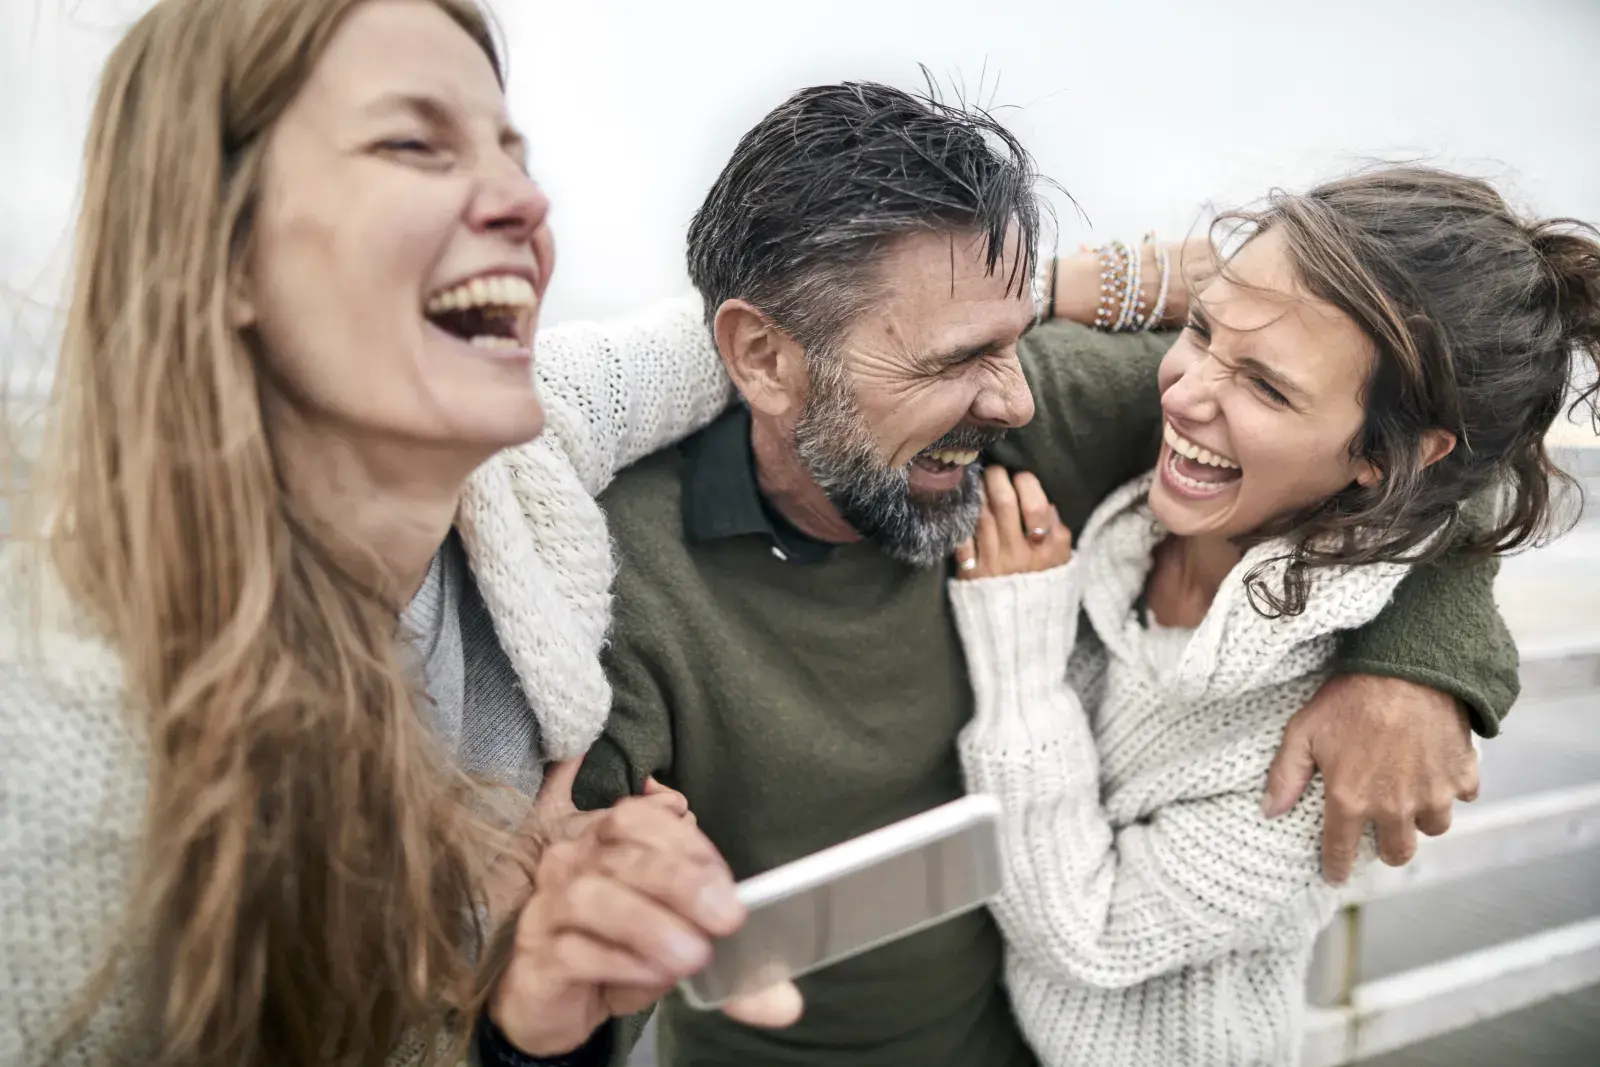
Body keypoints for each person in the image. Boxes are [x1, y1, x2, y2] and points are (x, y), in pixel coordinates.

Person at [574, 86, 1516, 1067]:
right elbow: (519, 949)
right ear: (765, 359)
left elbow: (1428, 437)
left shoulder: (1056, 412)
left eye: (1017, 336)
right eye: (960, 357)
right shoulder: (622, 574)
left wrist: (1417, 662)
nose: (1013, 393)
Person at [0, 2, 797, 1065]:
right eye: (415, 143)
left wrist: (526, 1023)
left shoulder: (529, 453)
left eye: (510, 151)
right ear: (219, 247)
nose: (526, 198)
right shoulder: (57, 756)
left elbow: (726, 342)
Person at [949, 167, 1600, 1066]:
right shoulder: (1140, 513)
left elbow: (1087, 933)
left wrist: (1019, 659)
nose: (1181, 393)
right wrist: (1058, 285)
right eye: (1203, 330)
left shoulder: (1334, 747)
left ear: (1390, 453)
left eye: (1267, 387)